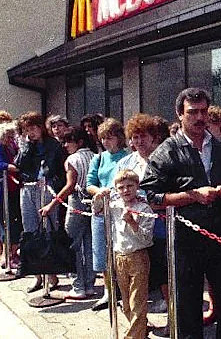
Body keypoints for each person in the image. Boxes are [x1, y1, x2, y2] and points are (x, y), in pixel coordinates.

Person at [141, 87, 221, 339]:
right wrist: (192, 195)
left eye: (203, 112)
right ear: (179, 115)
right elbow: (150, 196)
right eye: (192, 112)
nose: (199, 117)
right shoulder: (167, 152)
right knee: (187, 307)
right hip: (186, 240)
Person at [118, 114, 172, 312]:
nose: (139, 141)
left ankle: (170, 313)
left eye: (143, 136)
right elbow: (117, 188)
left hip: (158, 223)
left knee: (162, 269)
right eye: (135, 137)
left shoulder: (163, 158)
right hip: (132, 226)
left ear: (153, 137)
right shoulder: (125, 163)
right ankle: (140, 321)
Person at [42, 128, 96, 300]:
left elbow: (70, 185)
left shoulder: (72, 159)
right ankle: (89, 284)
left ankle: (78, 285)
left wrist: (52, 204)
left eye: (68, 141)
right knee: (88, 243)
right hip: (92, 201)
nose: (65, 145)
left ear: (79, 142)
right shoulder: (95, 156)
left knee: (72, 243)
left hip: (77, 201)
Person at [17, 111, 67, 290]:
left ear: (40, 127)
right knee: (30, 231)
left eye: (33, 128)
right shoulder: (27, 146)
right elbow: (19, 164)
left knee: (47, 231)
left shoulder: (53, 145)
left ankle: (51, 275)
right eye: (26, 130)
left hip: (46, 189)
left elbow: (58, 169)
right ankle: (37, 275)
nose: (30, 132)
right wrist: (26, 146)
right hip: (28, 188)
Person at [86, 117, 131, 311]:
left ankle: (125, 292)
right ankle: (108, 292)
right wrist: (99, 191)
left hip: (121, 208)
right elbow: (89, 184)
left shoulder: (127, 157)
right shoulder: (99, 158)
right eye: (103, 138)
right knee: (102, 251)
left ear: (119, 138)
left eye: (110, 138)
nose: (106, 142)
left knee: (122, 251)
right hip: (101, 208)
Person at [108, 169, 156, 339]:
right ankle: (140, 329)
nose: (125, 190)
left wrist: (132, 223)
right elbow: (97, 209)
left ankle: (133, 336)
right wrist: (100, 196)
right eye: (121, 187)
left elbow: (146, 239)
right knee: (126, 302)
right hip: (119, 256)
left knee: (138, 301)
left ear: (137, 187)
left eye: (129, 186)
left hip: (138, 256)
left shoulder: (144, 208)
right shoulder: (114, 205)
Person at [0, 122, 23, 271]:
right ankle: (7, 257)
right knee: (7, 223)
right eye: (8, 136)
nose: (10, 139)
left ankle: (11, 254)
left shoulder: (4, 147)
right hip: (2, 190)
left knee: (13, 222)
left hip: (10, 188)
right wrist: (14, 168)